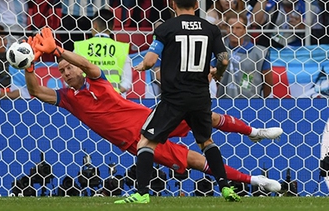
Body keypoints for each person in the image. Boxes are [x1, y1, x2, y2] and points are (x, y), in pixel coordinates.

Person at [25, 28, 282, 197]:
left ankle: (253, 132)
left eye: (68, 67)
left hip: (151, 120)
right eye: (61, 70)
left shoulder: (97, 81)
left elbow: (88, 64)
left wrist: (58, 50)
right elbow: (36, 91)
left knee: (207, 118)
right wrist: (29, 65)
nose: (66, 72)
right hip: (137, 143)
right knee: (194, 161)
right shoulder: (68, 99)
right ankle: (255, 181)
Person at [128, 0, 239, 203]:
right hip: (199, 96)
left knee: (145, 143)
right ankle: (226, 188)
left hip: (174, 97)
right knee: (206, 141)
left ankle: (142, 194)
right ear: (197, 5)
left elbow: (151, 60)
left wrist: (142, 66)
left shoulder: (166, 28)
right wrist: (218, 73)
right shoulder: (211, 29)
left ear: (173, 4)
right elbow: (224, 59)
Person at [74, 9, 132, 94]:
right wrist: (113, 94)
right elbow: (127, 82)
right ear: (113, 27)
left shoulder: (80, 47)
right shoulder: (121, 48)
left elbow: (71, 77)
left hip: (87, 100)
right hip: (113, 102)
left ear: (94, 25)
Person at [216, 11, 273, 98]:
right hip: (224, 102)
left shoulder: (259, 53)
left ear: (245, 30)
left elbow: (268, 83)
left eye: (238, 28)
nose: (234, 31)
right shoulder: (218, 49)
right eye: (231, 27)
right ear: (226, 29)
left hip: (251, 103)